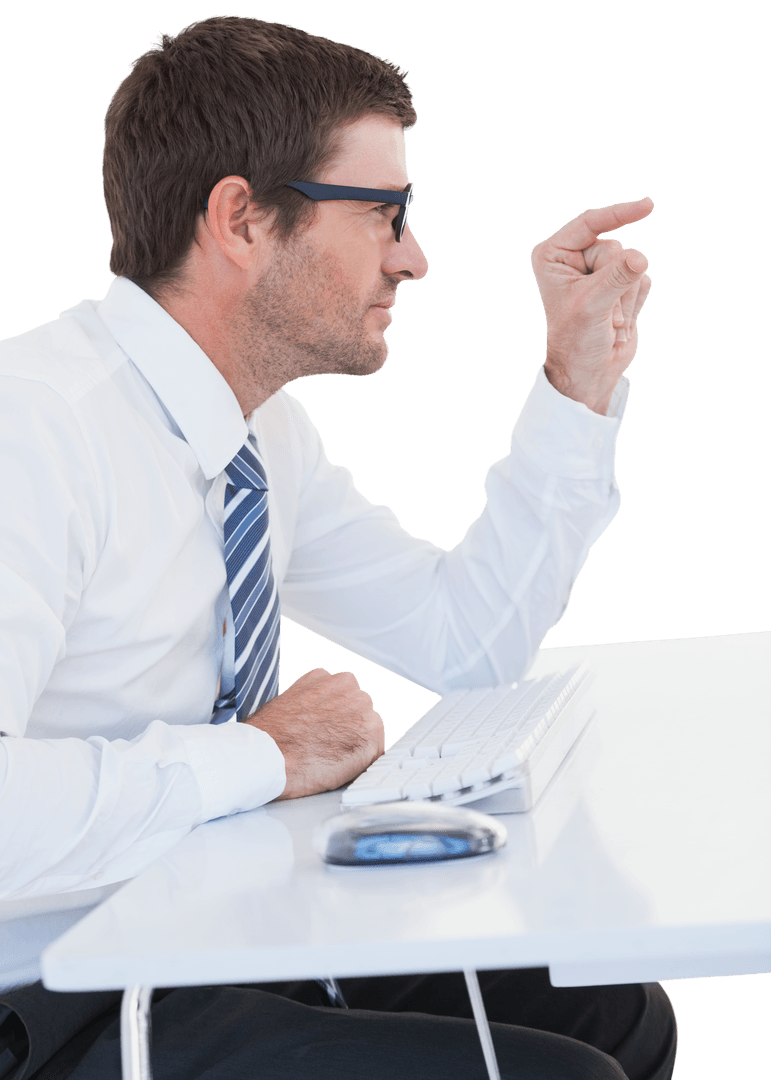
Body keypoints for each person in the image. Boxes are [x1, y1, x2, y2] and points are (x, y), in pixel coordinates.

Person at [0, 14, 675, 1080]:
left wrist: (577, 381)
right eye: (383, 215)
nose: (413, 258)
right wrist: (261, 757)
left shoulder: (260, 436)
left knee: (615, 1012)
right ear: (240, 219)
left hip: (213, 927)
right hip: (53, 994)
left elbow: (467, 643)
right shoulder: (33, 426)